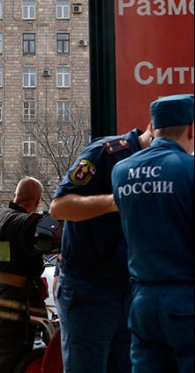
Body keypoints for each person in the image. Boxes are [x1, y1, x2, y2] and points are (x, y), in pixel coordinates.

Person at [50, 121, 153, 373]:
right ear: (153, 127)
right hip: (90, 289)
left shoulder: (165, 169)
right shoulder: (106, 153)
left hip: (131, 291)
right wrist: (115, 200)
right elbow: (59, 207)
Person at [111, 94, 194, 372]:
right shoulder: (189, 169)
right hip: (185, 302)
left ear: (153, 127)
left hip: (143, 304)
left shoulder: (122, 171)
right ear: (191, 129)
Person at [0, 177, 47, 373]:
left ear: (14, 195)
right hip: (15, 307)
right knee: (11, 364)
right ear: (37, 201)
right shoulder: (28, 223)